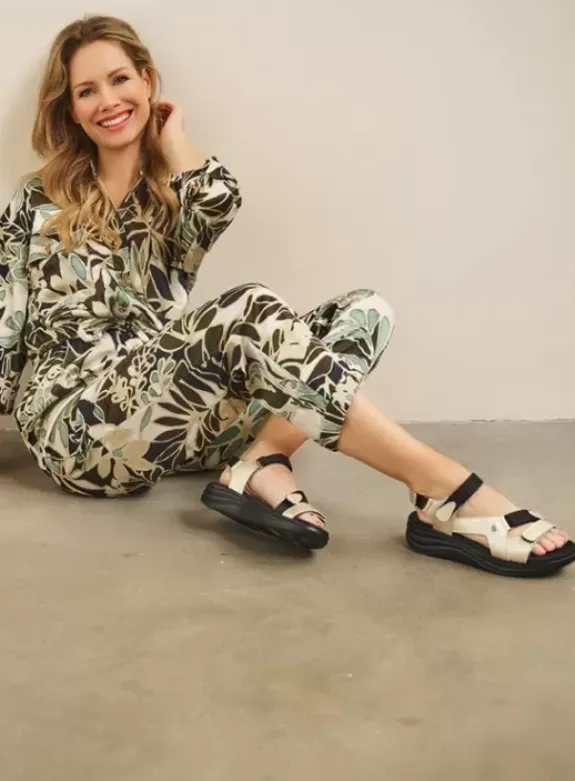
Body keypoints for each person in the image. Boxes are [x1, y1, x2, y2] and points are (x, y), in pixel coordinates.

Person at [1, 14, 573, 578]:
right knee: (247, 311)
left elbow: (220, 202)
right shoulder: (36, 200)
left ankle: (260, 461)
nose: (108, 100)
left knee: (364, 313)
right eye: (87, 91)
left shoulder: (177, 194)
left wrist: (172, 140)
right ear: (70, 109)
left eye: (121, 79)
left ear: (146, 82)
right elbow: (5, 324)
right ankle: (442, 488)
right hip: (80, 429)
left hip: (179, 424)